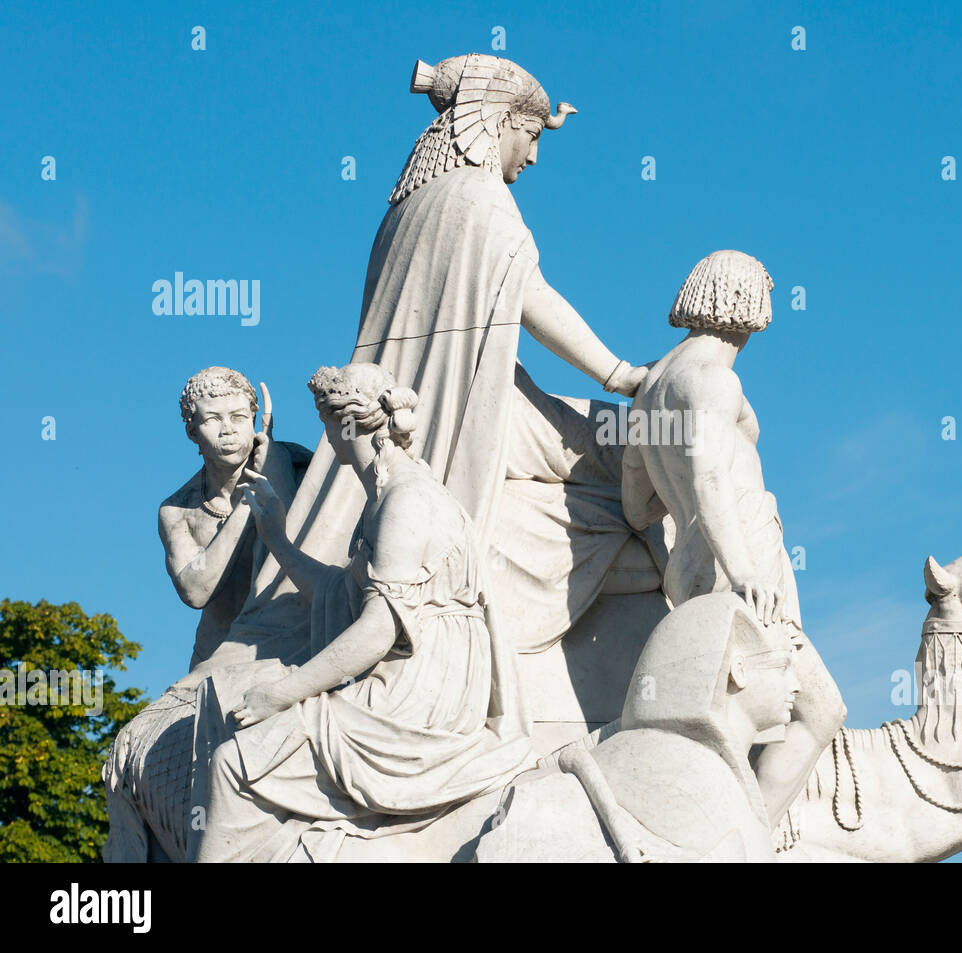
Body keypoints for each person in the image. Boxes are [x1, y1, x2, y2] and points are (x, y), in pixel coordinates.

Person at [217, 53, 655, 669]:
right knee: (639, 445)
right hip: (473, 410)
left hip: (449, 399)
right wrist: (623, 375)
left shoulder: (406, 207)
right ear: (498, 121)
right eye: (530, 136)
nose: (532, 158)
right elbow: (530, 296)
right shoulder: (480, 198)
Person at [187, 363, 531, 863]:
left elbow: (375, 630)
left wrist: (282, 695)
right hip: (413, 672)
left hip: (419, 691)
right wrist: (278, 539)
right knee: (230, 704)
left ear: (342, 427)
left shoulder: (405, 500)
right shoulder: (388, 495)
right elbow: (340, 594)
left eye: (324, 425)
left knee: (235, 765)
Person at [620, 250, 847, 825]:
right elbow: (711, 475)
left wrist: (688, 516)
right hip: (741, 560)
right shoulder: (714, 380)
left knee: (729, 720)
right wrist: (743, 568)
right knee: (819, 712)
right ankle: (744, 840)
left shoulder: (653, 388)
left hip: (695, 566)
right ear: (744, 301)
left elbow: (635, 505)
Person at [476, 592, 800, 862]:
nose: (796, 685)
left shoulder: (709, 772)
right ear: (738, 670)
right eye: (783, 666)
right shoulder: (683, 771)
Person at [158, 367, 308, 670]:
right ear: (192, 431)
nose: (228, 429)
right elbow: (195, 591)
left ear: (254, 420)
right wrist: (248, 500)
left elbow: (315, 542)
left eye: (238, 417)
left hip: (292, 646)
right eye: (213, 419)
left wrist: (276, 472)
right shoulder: (179, 510)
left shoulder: (294, 466)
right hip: (217, 656)